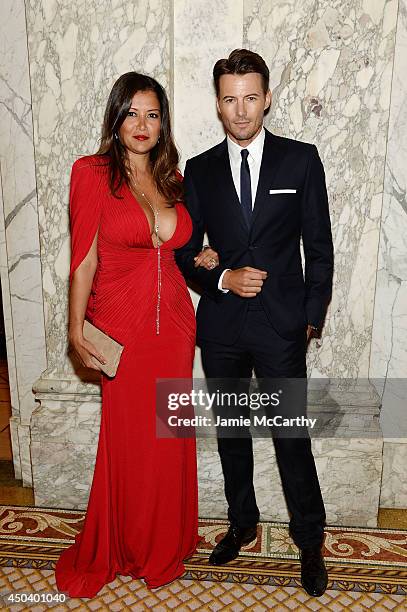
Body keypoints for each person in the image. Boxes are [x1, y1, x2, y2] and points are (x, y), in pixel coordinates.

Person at [175, 49, 334, 597]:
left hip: (282, 327)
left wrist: (311, 319)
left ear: (266, 98)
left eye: (250, 98)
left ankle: (309, 539)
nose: (240, 111)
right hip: (220, 327)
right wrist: (219, 279)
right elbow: (185, 251)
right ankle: (243, 523)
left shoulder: (301, 160)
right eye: (229, 99)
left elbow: (319, 246)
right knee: (232, 432)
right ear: (218, 105)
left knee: (292, 436)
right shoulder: (198, 170)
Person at [55, 72, 218, 598]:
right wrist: (75, 328)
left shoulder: (171, 178)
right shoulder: (92, 173)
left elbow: (176, 248)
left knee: (167, 440)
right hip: (122, 332)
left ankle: (164, 543)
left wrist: (204, 254)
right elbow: (83, 260)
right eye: (132, 113)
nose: (142, 124)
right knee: (130, 443)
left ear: (162, 123)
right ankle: (125, 544)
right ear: (116, 117)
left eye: (152, 114)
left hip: (173, 327)